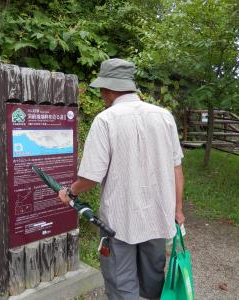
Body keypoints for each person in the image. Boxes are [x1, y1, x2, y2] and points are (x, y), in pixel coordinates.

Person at [58, 58, 185, 300]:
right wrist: (177, 209)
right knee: (154, 279)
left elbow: (91, 177)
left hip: (120, 221)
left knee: (121, 283)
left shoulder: (106, 120)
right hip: (159, 216)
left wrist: (70, 192)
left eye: (102, 91)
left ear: (108, 89)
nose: (102, 96)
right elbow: (176, 169)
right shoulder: (164, 116)